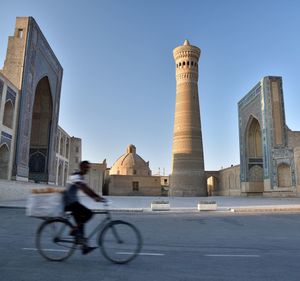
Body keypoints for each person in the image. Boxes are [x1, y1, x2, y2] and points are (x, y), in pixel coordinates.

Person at [64, 160, 106, 254]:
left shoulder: (80, 177)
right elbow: (84, 189)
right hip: (70, 203)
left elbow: (85, 188)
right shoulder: (75, 176)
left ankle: (84, 247)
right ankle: (74, 230)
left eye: (88, 168)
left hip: (73, 202)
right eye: (86, 168)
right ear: (82, 167)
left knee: (81, 222)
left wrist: (96, 197)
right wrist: (96, 197)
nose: (88, 170)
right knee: (89, 214)